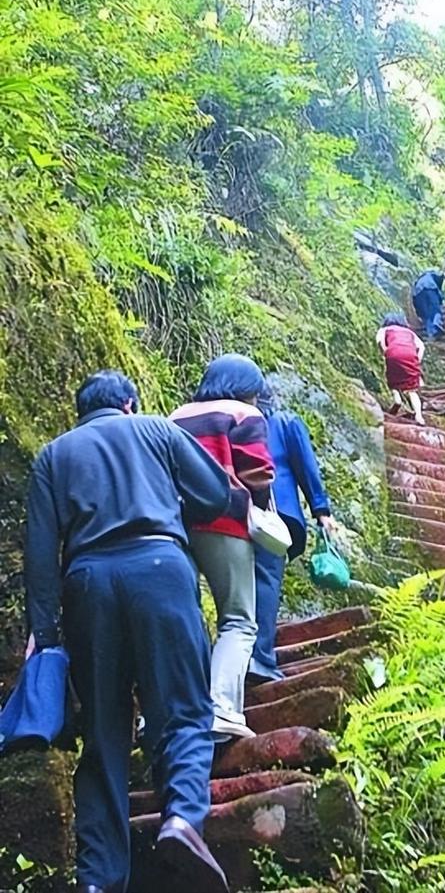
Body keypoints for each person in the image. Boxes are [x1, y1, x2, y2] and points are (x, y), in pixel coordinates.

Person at [24, 370, 231, 893]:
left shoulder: (53, 456)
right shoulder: (157, 432)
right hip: (160, 568)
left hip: (88, 583)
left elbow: (40, 554)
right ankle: (183, 817)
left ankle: (99, 877)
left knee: (103, 732)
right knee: (184, 709)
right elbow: (213, 494)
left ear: (81, 413)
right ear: (130, 403)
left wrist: (45, 634)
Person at [170, 354, 274, 741]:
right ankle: (222, 708)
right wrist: (261, 508)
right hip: (226, 521)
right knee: (239, 619)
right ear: (247, 386)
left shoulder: (177, 415)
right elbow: (258, 472)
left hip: (176, 524)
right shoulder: (243, 415)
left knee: (187, 616)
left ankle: (175, 707)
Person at [248, 390, 334, 683]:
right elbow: (306, 467)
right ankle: (259, 656)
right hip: (268, 515)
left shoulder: (244, 423)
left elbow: (306, 468)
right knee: (265, 581)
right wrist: (321, 511)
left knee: (254, 584)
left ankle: (253, 655)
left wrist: (321, 510)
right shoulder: (281, 422)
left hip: (255, 515)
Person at [376, 313, 426, 425]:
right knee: (412, 389)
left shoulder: (384, 330)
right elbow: (421, 346)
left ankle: (397, 400)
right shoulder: (410, 333)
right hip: (411, 355)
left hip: (392, 353)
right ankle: (419, 416)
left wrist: (385, 353)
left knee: (393, 381)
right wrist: (417, 359)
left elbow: (380, 342)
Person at [412, 268, 445, 338]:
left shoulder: (418, 280)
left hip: (418, 293)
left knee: (426, 316)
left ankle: (431, 333)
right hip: (430, 288)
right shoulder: (432, 274)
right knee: (436, 309)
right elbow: (439, 280)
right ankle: (437, 324)